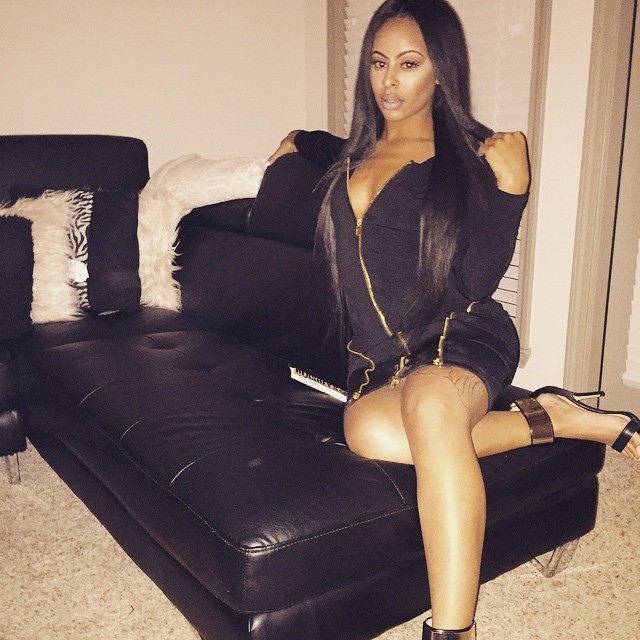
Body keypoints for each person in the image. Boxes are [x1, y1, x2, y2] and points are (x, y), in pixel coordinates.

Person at [269, 1, 640, 638]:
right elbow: (329, 144)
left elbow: (475, 283)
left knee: (432, 407)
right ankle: (555, 418)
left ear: (441, 70)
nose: (390, 81)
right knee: (371, 433)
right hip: (378, 360)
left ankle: (452, 628)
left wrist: (513, 194)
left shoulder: (466, 158)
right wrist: (299, 138)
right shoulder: (354, 153)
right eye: (379, 64)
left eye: (409, 64)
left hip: (458, 331)